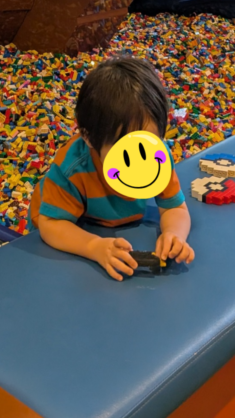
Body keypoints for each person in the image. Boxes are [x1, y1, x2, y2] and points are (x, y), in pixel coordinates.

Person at [29, 57, 195, 280]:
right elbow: (51, 225)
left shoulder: (157, 157)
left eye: (146, 143)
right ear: (89, 138)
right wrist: (94, 246)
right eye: (124, 152)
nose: (138, 162)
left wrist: (174, 234)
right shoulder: (73, 169)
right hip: (63, 220)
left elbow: (175, 208)